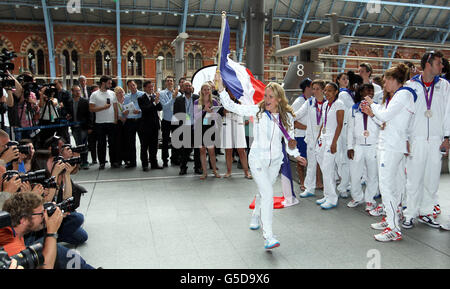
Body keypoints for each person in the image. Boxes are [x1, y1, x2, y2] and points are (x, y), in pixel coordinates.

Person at [216, 72, 306, 250]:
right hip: (257, 159)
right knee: (268, 194)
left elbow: (289, 142)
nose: (266, 99)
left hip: (275, 162)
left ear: (279, 99)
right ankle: (269, 236)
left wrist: (295, 154)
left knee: (263, 192)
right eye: (265, 96)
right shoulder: (257, 111)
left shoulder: (287, 117)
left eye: (270, 97)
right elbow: (232, 106)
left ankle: (255, 215)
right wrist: (220, 88)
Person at [361, 63, 416, 242]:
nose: (384, 85)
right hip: (391, 145)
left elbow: (384, 116)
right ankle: (392, 218)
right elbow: (383, 122)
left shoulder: (404, 94)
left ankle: (394, 228)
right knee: (396, 186)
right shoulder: (396, 97)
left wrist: (372, 104)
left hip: (391, 147)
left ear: (394, 80)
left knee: (387, 187)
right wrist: (371, 113)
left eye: (386, 81)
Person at [402, 51, 450, 229]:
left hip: (437, 139)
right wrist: (405, 138)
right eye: (439, 63)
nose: (442, 66)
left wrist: (447, 137)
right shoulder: (411, 85)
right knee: (414, 178)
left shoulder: (444, 86)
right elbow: (405, 114)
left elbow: (448, 112)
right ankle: (410, 214)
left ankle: (426, 212)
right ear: (428, 64)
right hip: (417, 138)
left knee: (431, 179)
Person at [0, 192, 95, 269]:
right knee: (56, 250)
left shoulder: (12, 230)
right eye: (41, 214)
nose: (44, 216)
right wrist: (52, 232)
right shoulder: (12, 247)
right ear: (23, 220)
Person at [346, 83, 380, 212]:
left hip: (373, 145)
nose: (370, 93)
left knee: (372, 174)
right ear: (361, 93)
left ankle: (370, 200)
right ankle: (357, 197)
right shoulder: (354, 109)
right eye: (367, 91)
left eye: (371, 91)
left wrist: (373, 113)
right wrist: (350, 147)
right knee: (355, 174)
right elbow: (350, 129)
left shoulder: (378, 107)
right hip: (358, 146)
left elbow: (382, 124)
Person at [315, 82, 345, 210]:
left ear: (336, 92)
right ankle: (327, 194)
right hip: (324, 137)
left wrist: (334, 142)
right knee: (324, 168)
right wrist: (318, 137)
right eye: (325, 90)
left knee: (327, 168)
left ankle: (332, 198)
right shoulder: (326, 104)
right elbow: (323, 122)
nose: (326, 93)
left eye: (330, 91)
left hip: (333, 139)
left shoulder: (339, 104)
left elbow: (339, 124)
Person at [294, 79, 325, 199]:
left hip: (323, 138)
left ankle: (328, 193)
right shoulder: (309, 102)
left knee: (325, 166)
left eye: (317, 89)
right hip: (311, 139)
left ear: (323, 90)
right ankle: (309, 188)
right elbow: (298, 114)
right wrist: (285, 115)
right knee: (311, 164)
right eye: (313, 89)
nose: (315, 91)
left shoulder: (328, 103)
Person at [89, 76, 119, 170]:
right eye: (109, 83)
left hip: (111, 122)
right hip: (100, 122)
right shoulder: (94, 94)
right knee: (101, 144)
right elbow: (91, 108)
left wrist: (116, 119)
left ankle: (113, 161)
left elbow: (115, 107)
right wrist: (103, 107)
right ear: (103, 83)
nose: (110, 85)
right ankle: (102, 162)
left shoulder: (112, 93)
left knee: (113, 143)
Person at [221, 87, 251, 179]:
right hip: (228, 125)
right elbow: (224, 112)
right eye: (230, 90)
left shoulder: (240, 101)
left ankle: (246, 172)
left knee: (241, 150)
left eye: (234, 91)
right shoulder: (224, 101)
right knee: (228, 150)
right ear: (227, 91)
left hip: (238, 125)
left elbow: (243, 112)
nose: (232, 93)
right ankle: (229, 171)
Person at [173, 81, 202, 175]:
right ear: (183, 88)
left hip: (196, 126)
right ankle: (183, 168)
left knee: (197, 149)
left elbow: (201, 113)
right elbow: (176, 114)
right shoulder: (178, 100)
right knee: (185, 150)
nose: (188, 87)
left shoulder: (197, 98)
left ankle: (197, 167)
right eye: (186, 86)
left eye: (189, 86)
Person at [194, 83, 221, 180]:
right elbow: (196, 116)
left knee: (212, 151)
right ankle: (204, 172)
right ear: (201, 91)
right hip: (200, 127)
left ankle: (214, 171)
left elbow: (218, 116)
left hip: (210, 127)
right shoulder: (197, 102)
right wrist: (204, 110)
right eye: (204, 89)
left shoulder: (214, 101)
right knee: (202, 151)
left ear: (210, 90)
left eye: (208, 89)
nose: (206, 91)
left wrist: (212, 113)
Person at [291, 78, 312, 191]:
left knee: (311, 160)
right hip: (300, 135)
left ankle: (310, 181)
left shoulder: (311, 100)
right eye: (312, 87)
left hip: (310, 135)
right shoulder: (299, 101)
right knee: (302, 159)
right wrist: (309, 128)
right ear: (307, 88)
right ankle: (302, 181)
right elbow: (293, 120)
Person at [336, 72, 354, 198]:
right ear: (338, 80)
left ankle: (345, 183)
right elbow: (353, 108)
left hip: (348, 128)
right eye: (343, 79)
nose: (346, 80)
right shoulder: (342, 94)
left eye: (347, 79)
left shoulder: (347, 93)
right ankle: (343, 185)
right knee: (344, 158)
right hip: (345, 128)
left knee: (346, 158)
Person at [138, 80, 163, 171]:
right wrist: (153, 103)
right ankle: (145, 164)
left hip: (155, 125)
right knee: (144, 146)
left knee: (154, 146)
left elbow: (160, 108)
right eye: (149, 87)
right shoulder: (141, 98)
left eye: (152, 87)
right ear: (145, 88)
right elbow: (145, 109)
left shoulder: (154, 97)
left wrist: (157, 101)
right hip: (145, 126)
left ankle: (154, 163)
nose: (151, 88)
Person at [68, 85, 91, 169]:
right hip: (74, 127)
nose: (78, 92)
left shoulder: (84, 101)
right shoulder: (70, 101)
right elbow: (67, 112)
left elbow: (89, 114)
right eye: (76, 91)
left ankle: (85, 161)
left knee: (83, 144)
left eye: (79, 90)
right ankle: (80, 161)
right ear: (72, 92)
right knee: (78, 144)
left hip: (83, 127)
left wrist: (89, 127)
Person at [160, 76, 180, 167]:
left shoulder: (179, 94)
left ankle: (174, 158)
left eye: (171, 81)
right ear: (165, 83)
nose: (169, 82)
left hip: (176, 120)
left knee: (176, 140)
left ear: (173, 83)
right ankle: (164, 159)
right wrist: (173, 98)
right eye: (167, 81)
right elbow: (164, 107)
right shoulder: (162, 93)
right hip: (166, 120)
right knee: (165, 141)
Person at [123, 80, 144, 169]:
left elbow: (147, 107)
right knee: (130, 142)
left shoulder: (142, 94)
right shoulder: (127, 97)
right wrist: (125, 111)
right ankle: (132, 162)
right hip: (130, 121)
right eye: (130, 86)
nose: (133, 87)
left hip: (140, 120)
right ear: (128, 87)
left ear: (136, 85)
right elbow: (124, 109)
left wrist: (139, 111)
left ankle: (144, 162)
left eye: (134, 85)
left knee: (143, 142)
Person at [114, 86, 128, 167]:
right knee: (118, 142)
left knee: (126, 142)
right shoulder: (115, 101)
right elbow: (113, 112)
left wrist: (125, 118)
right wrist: (120, 118)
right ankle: (118, 160)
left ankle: (126, 159)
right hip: (118, 122)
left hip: (126, 122)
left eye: (122, 92)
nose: (121, 93)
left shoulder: (127, 100)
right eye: (119, 92)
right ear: (116, 94)